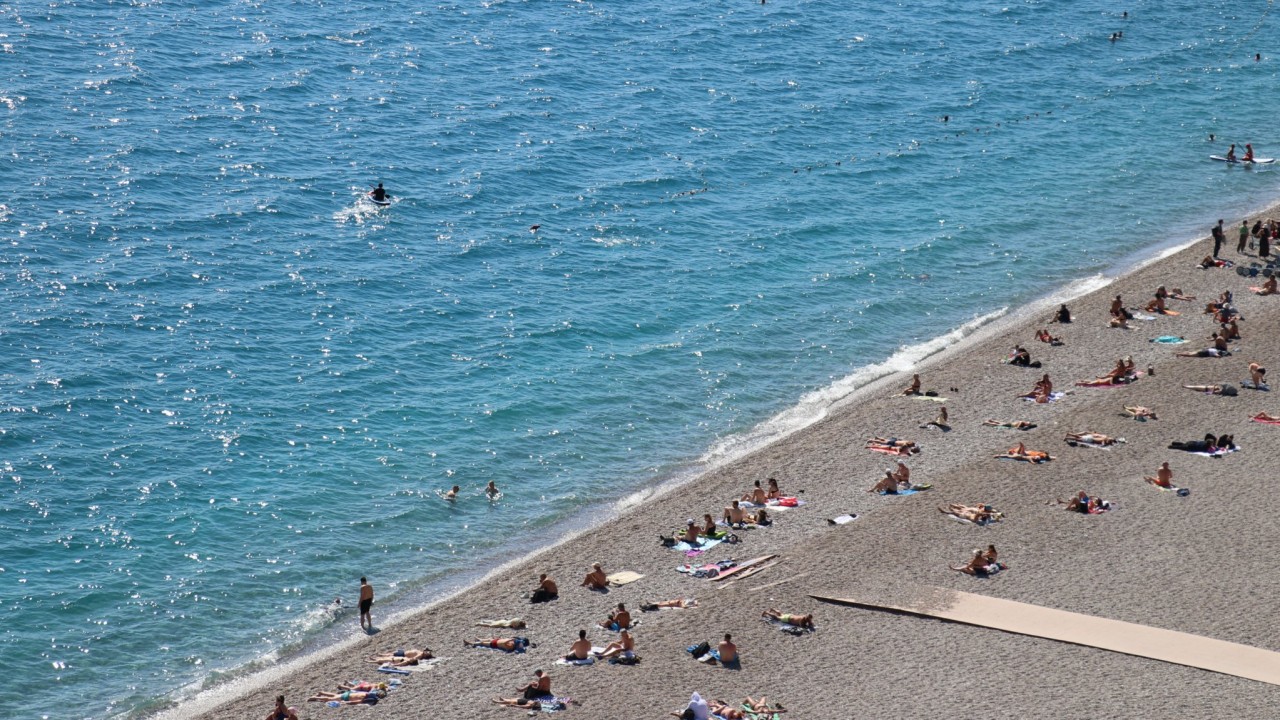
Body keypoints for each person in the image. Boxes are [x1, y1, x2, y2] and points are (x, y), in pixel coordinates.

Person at [307, 688, 385, 704]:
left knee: (334, 696)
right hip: (347, 697)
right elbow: (358, 701)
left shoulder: (369, 693)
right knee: (329, 699)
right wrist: (348, 703)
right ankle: (315, 697)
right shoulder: (367, 697)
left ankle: (321, 693)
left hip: (349, 694)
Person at [368, 647, 433, 666]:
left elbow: (414, 658)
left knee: (390, 655)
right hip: (404, 653)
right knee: (391, 654)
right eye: (427, 651)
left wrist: (409, 660)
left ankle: (380, 656)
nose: (426, 651)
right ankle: (380, 655)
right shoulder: (420, 652)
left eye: (427, 652)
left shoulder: (420, 655)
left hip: (404, 655)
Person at [464, 636, 532, 651]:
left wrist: (511, 640)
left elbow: (507, 645)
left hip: (495, 644)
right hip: (497, 641)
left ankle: (470, 643)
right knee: (490, 639)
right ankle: (479, 640)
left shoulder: (513, 643)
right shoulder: (515, 642)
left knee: (483, 643)